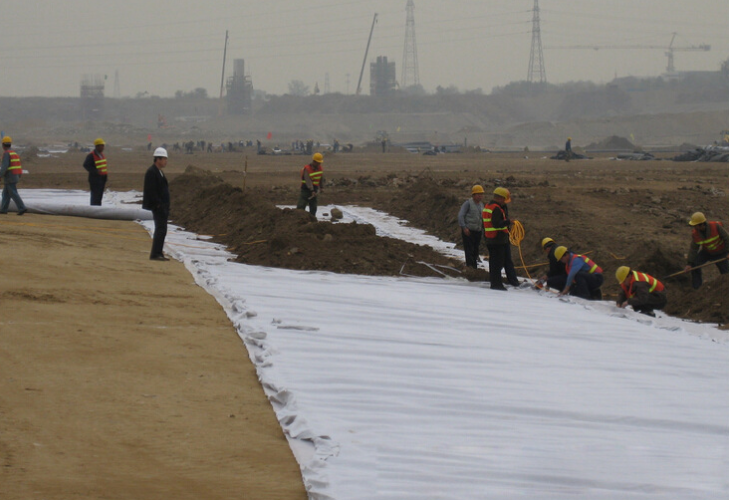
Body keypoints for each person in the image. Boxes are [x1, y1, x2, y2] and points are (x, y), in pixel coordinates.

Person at [483, 187, 519, 290]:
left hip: (494, 239)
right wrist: (508, 222)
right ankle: (496, 284)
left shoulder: (488, 206)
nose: (505, 202)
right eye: (504, 199)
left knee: (504, 261)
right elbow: (496, 224)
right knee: (496, 263)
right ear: (500, 198)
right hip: (497, 240)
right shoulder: (496, 209)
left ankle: (513, 282)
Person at [683, 212, 729, 289]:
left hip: (720, 252)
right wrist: (689, 263)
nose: (694, 227)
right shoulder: (695, 234)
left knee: (725, 272)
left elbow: (727, 238)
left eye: (695, 225)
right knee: (695, 264)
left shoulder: (716, 227)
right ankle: (697, 288)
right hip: (707, 252)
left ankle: (726, 289)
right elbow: (693, 249)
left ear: (701, 224)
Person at [142, 147, 171, 261]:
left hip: (163, 206)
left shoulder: (159, 172)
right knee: (160, 229)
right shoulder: (152, 172)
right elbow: (151, 190)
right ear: (158, 159)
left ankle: (159, 252)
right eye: (164, 159)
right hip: (158, 207)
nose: (166, 161)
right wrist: (158, 204)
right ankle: (155, 253)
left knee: (162, 230)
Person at [458, 185, 485, 269]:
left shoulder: (481, 205)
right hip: (469, 231)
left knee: (475, 249)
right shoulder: (468, 203)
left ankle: (474, 266)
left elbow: (482, 218)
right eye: (478, 194)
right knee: (469, 249)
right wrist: (464, 227)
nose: (480, 196)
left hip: (478, 231)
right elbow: (461, 215)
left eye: (481, 194)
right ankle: (470, 266)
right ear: (473, 195)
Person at [0, 136, 27, 215]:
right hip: (15, 175)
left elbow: (4, 167)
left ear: (3, 145)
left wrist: (0, 175)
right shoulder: (14, 153)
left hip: (10, 177)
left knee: (13, 193)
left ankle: (22, 208)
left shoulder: (6, 154)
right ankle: (3, 209)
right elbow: (18, 165)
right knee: (5, 193)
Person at [83, 138, 108, 205]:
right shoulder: (91, 155)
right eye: (101, 145)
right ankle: (94, 210)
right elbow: (86, 165)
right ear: (97, 146)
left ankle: (98, 209)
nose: (103, 147)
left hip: (102, 179)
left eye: (103, 145)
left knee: (99, 196)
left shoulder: (101, 155)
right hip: (95, 179)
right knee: (95, 196)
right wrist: (95, 171)